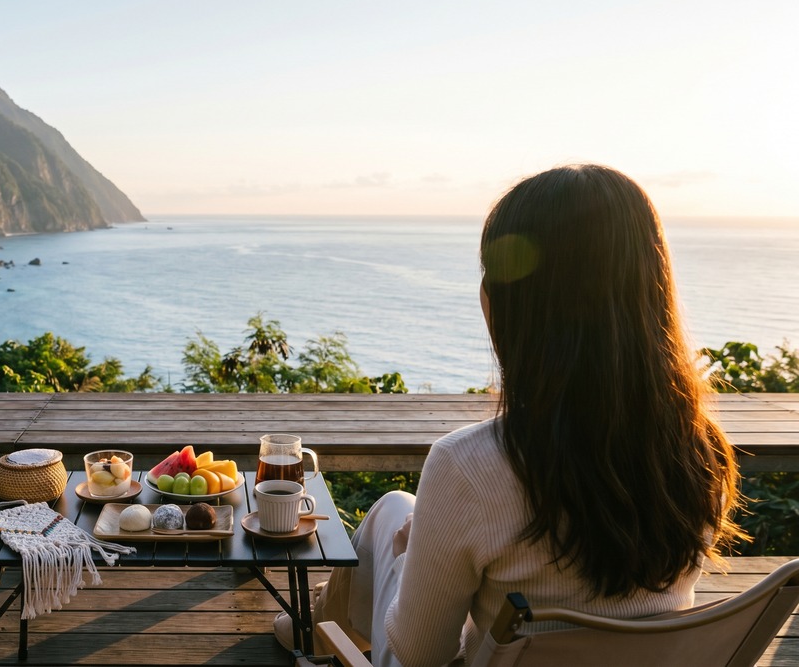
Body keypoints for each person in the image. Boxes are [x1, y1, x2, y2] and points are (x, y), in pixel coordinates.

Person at [278, 164, 744, 666]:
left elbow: (421, 655)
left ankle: (312, 628)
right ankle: (313, 622)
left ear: (503, 308)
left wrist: (412, 556)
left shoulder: (469, 466)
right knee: (395, 507)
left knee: (392, 527)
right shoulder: (700, 450)